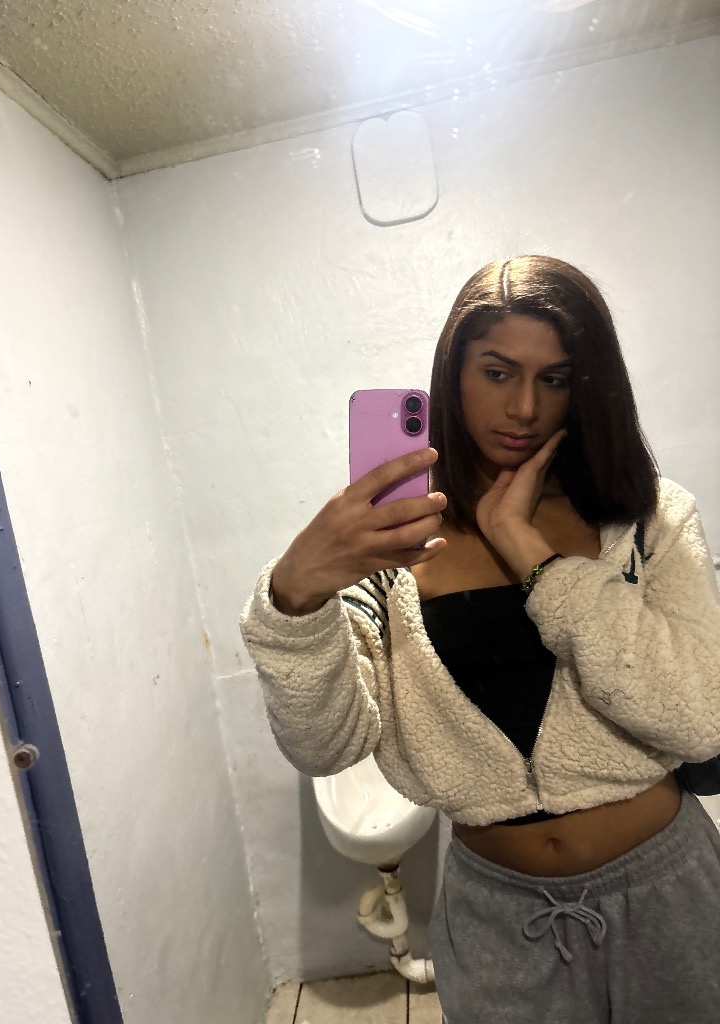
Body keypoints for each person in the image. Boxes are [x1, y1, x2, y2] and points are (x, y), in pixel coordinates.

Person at [239, 255, 720, 1023]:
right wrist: (296, 600)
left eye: (554, 379)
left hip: (670, 897)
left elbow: (698, 719)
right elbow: (324, 748)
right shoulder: (388, 549)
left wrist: (528, 551)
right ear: (452, 375)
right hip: (499, 920)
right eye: (497, 373)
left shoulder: (649, 518)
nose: (524, 407)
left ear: (587, 386)